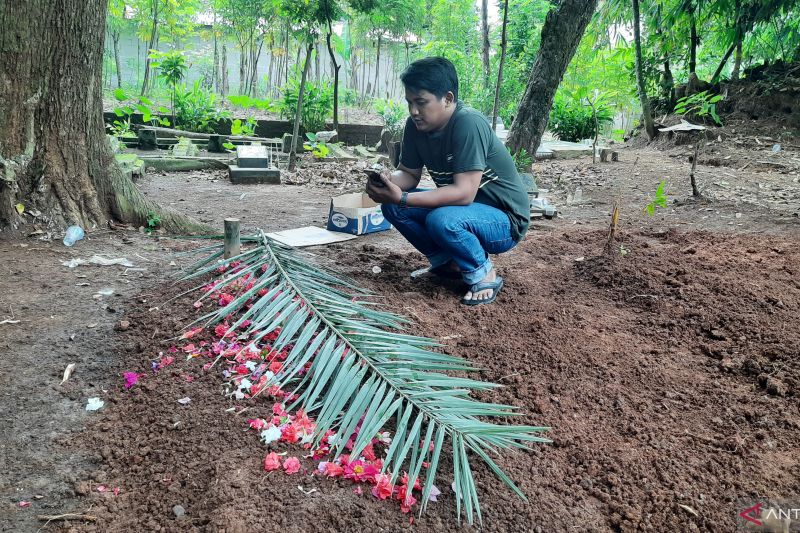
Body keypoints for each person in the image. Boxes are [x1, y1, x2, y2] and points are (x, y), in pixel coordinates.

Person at [365, 57, 530, 306]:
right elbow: (409, 175)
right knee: (392, 206)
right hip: (463, 212)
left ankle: (483, 272)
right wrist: (388, 181)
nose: (413, 111)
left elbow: (464, 194)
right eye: (409, 102)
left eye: (421, 102)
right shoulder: (414, 126)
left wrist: (403, 196)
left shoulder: (468, 123)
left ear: (448, 99)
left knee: (441, 219)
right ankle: (449, 263)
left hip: (505, 221)